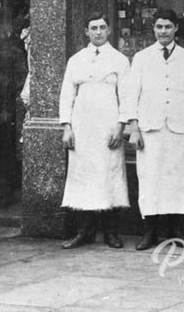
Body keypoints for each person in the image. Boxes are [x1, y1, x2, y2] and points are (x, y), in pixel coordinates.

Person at [125, 8, 184, 251]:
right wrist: (134, 129)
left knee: (176, 179)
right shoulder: (142, 58)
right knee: (149, 179)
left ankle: (175, 231)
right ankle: (150, 231)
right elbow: (131, 96)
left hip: (178, 129)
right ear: (153, 29)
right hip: (150, 129)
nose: (163, 32)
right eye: (159, 27)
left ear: (176, 28)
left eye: (168, 27)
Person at [58, 13, 131, 249]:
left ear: (109, 30)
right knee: (85, 176)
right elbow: (67, 95)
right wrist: (67, 127)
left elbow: (126, 97)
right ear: (86, 32)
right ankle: (85, 231)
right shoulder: (76, 60)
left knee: (109, 176)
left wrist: (121, 126)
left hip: (108, 126)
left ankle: (111, 232)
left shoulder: (120, 60)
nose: (98, 32)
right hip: (83, 128)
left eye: (102, 27)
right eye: (93, 28)